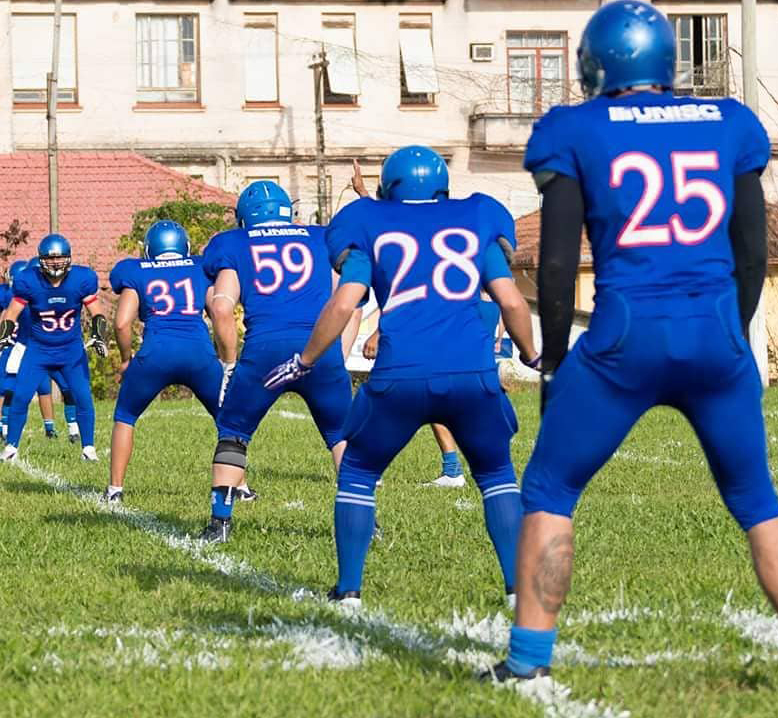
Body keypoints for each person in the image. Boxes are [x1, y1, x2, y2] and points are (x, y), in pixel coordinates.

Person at [482, 1, 778, 698]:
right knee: (758, 501)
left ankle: (527, 662)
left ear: (596, 63)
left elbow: (556, 265)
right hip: (714, 330)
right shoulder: (730, 122)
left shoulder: (574, 128)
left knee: (551, 490)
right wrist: (732, 332)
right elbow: (752, 249)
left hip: (625, 335)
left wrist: (555, 356)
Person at [265, 146, 539, 607]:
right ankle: (516, 588)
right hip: (472, 374)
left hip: (400, 375)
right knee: (496, 474)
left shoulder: (369, 222)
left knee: (357, 473)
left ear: (387, 187)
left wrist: (306, 360)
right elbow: (511, 302)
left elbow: (343, 302)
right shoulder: (476, 217)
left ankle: (349, 589)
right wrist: (530, 355)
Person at [198, 180, 355, 543]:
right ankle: (363, 520)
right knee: (341, 437)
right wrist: (336, 354)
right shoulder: (321, 237)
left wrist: (228, 361)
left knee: (234, 433)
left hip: (265, 350)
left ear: (244, 218)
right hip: (319, 346)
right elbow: (348, 300)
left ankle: (220, 523)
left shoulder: (232, 243)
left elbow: (221, 307)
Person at [352, 161, 505, 490]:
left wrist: (379, 331)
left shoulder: (417, 225)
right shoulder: (462, 215)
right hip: (470, 311)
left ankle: (374, 466)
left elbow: (415, 282)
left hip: (448, 313)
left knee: (421, 390)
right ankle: (477, 467)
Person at [103, 220, 225, 503]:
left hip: (155, 353)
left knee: (125, 417)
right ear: (185, 246)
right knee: (228, 420)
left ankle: (115, 490)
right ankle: (238, 487)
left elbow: (122, 324)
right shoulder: (199, 266)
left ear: (149, 249)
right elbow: (218, 311)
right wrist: (223, 356)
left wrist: (125, 359)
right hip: (199, 354)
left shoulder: (134, 270)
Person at [0, 234, 108, 462]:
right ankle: (11, 447)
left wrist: (99, 335)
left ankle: (88, 448)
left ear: (69, 258)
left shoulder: (81, 279)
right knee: (21, 396)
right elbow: (12, 313)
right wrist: (5, 336)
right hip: (38, 350)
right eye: (50, 258)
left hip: (70, 350)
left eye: (60, 257)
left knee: (83, 397)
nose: (55, 262)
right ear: (41, 259)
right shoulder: (29, 280)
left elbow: (97, 311)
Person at [0, 259, 79, 443]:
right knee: (10, 389)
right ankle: (4, 430)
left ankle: (72, 430)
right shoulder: (15, 299)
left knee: (67, 388)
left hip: (51, 349)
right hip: (23, 348)